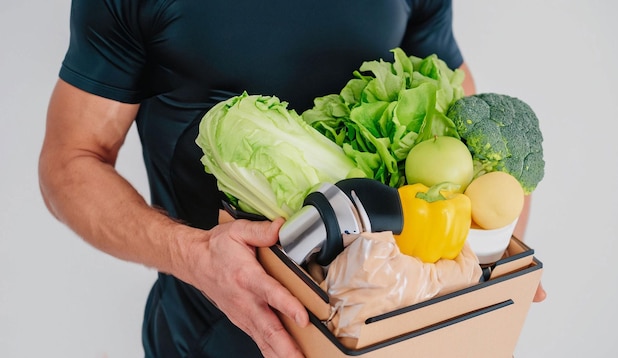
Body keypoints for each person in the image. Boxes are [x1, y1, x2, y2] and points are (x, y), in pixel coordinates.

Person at [38, 0, 544, 356]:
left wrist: (491, 278)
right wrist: (191, 256)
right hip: (215, 338)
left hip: (387, 329)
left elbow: (465, 130)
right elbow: (69, 162)